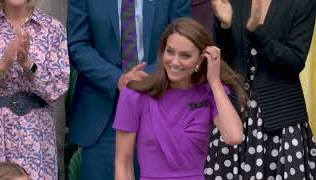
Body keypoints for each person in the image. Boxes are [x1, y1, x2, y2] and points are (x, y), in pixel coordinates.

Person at [67, 0, 191, 179]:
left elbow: (185, 40)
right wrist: (117, 79)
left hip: (160, 106)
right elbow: (77, 44)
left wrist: (144, 77)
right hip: (103, 115)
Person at [113, 17, 245, 180]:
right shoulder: (134, 95)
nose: (175, 61)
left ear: (200, 59)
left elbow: (234, 136)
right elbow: (123, 164)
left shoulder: (209, 93)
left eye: (185, 55)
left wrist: (215, 81)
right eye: (170, 51)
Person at [205, 0, 316, 179]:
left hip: (279, 117)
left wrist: (256, 32)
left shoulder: (302, 3)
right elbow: (223, 58)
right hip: (233, 113)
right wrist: (224, 26)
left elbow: (295, 61)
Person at [0, 0, 70, 179]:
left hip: (37, 133)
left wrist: (29, 65)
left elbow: (58, 89)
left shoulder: (52, 28)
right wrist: (4, 64)